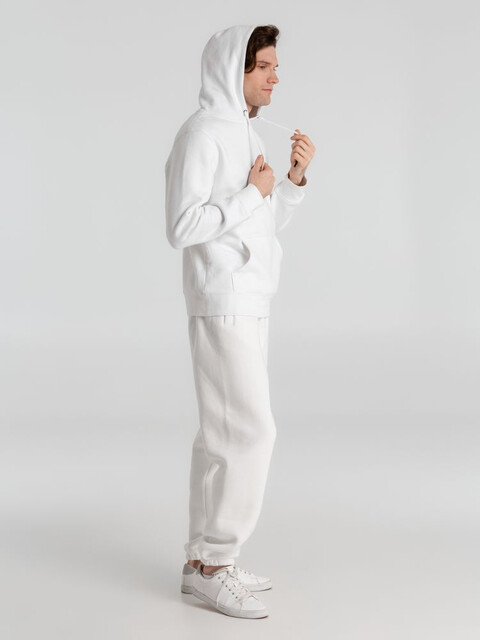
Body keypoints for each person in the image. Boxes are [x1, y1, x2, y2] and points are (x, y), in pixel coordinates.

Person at [164, 24, 315, 618]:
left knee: (220, 434)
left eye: (276, 66)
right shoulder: (202, 133)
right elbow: (182, 226)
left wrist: (291, 183)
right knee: (252, 431)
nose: (277, 77)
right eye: (265, 66)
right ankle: (216, 565)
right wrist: (252, 193)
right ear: (236, 70)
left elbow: (257, 225)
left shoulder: (245, 130)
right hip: (222, 299)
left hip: (251, 298)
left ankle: (202, 561)